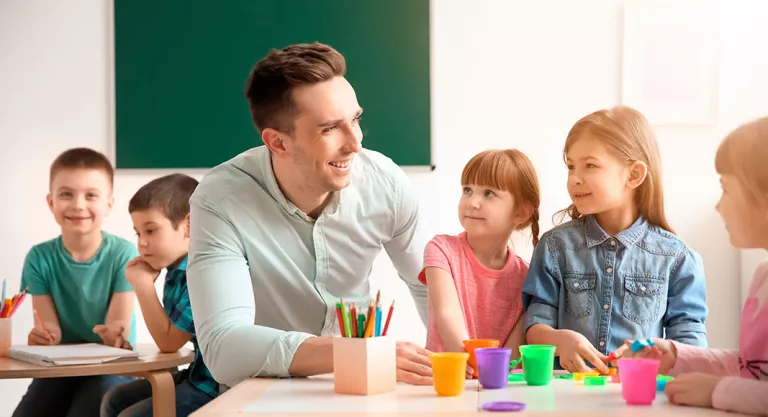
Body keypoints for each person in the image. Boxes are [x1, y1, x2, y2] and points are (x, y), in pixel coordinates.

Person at [186, 42, 433, 386]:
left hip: (363, 387)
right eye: (329, 128)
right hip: (269, 392)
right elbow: (223, 347)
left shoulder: (385, 183)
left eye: (355, 120)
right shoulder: (221, 200)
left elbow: (428, 285)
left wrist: (458, 364)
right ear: (278, 143)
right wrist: (356, 354)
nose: (355, 143)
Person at [521, 106, 709, 374]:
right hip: (567, 396)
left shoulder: (677, 257)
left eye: (590, 165)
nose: (575, 178)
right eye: (571, 166)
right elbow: (535, 328)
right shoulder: (555, 247)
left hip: (638, 400)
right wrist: (560, 341)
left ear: (633, 175)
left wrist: (661, 359)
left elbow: (691, 341)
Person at [621, 116, 768, 415]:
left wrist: (717, 390)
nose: (717, 205)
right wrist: (677, 356)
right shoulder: (763, 276)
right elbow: (752, 367)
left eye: (726, 189)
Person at [13, 148, 137, 417]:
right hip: (62, 368)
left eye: (90, 195)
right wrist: (43, 337)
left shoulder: (124, 254)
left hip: (113, 367)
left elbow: (118, 330)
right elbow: (51, 331)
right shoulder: (38, 257)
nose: (78, 204)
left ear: (109, 203)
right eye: (66, 194)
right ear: (51, 202)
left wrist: (114, 333)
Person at [101, 174, 218, 417]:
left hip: (215, 384)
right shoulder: (175, 271)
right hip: (198, 374)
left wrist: (143, 286)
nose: (142, 243)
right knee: (115, 399)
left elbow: (168, 342)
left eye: (151, 231)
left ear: (189, 226)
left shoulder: (201, 272)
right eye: (138, 233)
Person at [419, 149, 540, 372]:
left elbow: (512, 357)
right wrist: (472, 365)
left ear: (521, 212)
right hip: (446, 382)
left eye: (489, 193)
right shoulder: (441, 250)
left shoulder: (526, 276)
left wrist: (489, 374)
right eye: (468, 190)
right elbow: (446, 315)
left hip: (494, 384)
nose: (472, 202)